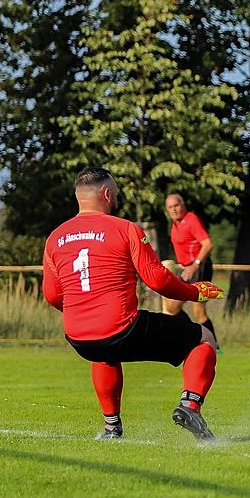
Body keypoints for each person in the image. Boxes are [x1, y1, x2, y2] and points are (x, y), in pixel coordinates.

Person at [42, 167, 226, 441]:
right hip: (122, 328)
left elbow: (52, 295)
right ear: (107, 194)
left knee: (103, 352)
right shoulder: (125, 228)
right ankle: (190, 407)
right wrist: (193, 292)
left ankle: (111, 428)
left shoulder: (55, 237)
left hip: (78, 337)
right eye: (115, 192)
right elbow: (157, 280)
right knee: (203, 338)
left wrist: (83, 311)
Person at [163, 193, 217, 341]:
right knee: (172, 308)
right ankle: (193, 335)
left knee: (198, 310)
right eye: (170, 207)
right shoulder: (175, 224)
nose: (174, 210)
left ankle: (213, 345)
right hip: (187, 270)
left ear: (183, 205)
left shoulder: (191, 220)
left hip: (199, 267)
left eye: (176, 205)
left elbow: (208, 244)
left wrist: (195, 265)